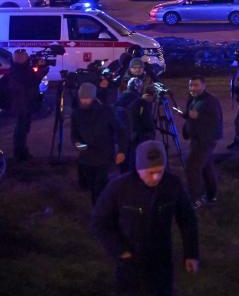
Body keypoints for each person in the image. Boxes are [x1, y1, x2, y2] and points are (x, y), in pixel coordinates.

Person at [92, 141, 199, 296]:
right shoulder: (119, 188)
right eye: (150, 172)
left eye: (160, 171)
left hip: (161, 259)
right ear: (138, 168)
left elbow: (187, 219)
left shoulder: (172, 185)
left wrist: (191, 253)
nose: (156, 177)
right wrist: (120, 251)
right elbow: (100, 222)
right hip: (130, 260)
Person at [72, 82, 128, 205]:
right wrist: (78, 144)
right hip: (86, 157)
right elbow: (74, 134)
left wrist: (122, 151)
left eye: (87, 98)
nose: (84, 101)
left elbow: (121, 131)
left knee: (99, 189)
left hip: (103, 156)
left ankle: (100, 213)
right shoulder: (77, 114)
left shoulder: (105, 111)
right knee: (89, 186)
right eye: (82, 98)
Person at [182, 76, 223, 208]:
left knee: (192, 168)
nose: (193, 88)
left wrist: (194, 115)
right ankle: (212, 195)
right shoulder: (196, 99)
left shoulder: (208, 101)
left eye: (196, 85)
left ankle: (196, 198)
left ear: (204, 86)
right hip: (200, 139)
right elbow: (193, 114)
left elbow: (207, 117)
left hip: (204, 141)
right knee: (206, 166)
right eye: (190, 85)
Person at [0, 48, 46, 162]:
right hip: (23, 105)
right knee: (22, 129)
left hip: (20, 105)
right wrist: (42, 67)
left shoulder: (12, 72)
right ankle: (20, 153)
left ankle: (21, 152)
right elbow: (36, 79)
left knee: (22, 128)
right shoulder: (24, 73)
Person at [114, 77, 156, 173]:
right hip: (134, 135)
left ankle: (123, 175)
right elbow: (146, 120)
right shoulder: (139, 100)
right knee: (133, 159)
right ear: (139, 88)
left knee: (124, 159)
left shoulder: (121, 97)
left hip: (121, 135)